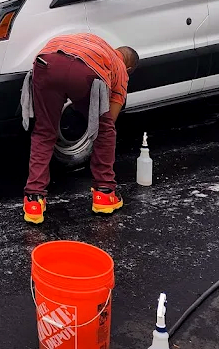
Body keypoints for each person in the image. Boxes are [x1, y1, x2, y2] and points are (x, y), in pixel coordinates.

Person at [22, 33, 139, 223]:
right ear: (129, 68)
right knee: (105, 131)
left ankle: (33, 201)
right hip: (85, 70)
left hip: (46, 62)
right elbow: (110, 119)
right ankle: (104, 193)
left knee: (44, 132)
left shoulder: (98, 44)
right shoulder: (120, 68)